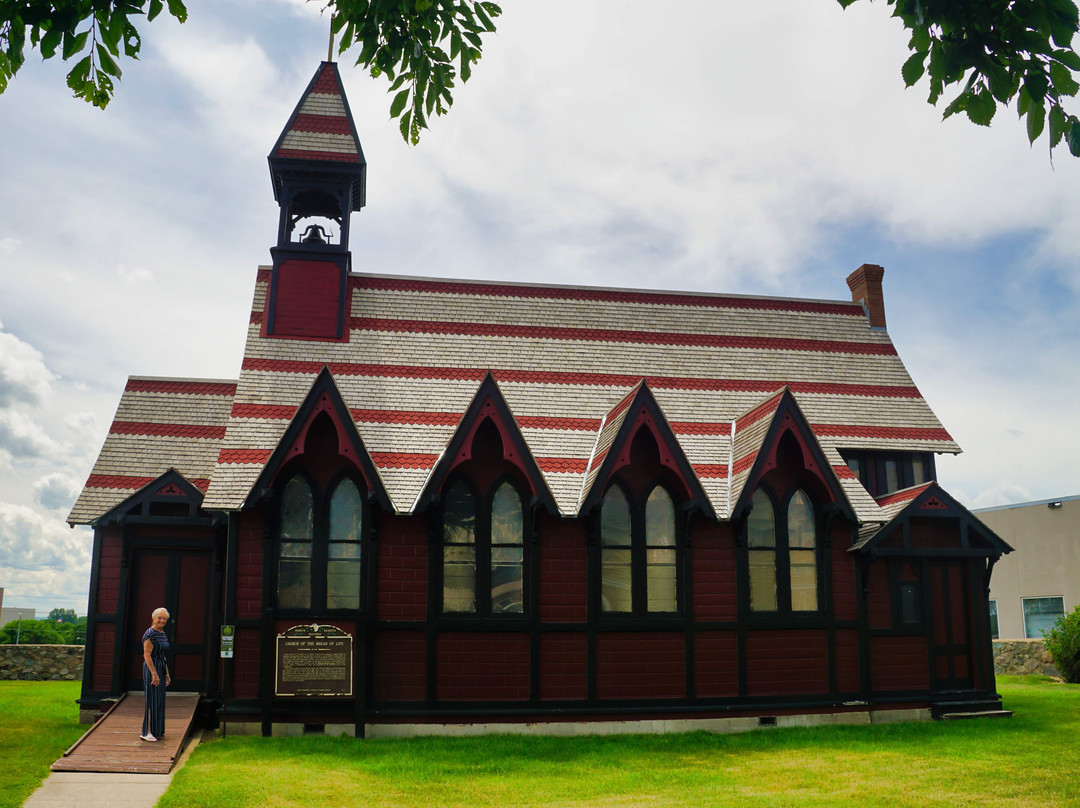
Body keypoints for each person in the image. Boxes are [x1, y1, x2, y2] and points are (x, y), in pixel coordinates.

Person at [140, 607, 171, 742]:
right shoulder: (150, 633)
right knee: (151, 699)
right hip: (151, 667)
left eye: (164, 618)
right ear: (153, 618)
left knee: (159, 700)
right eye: (159, 617)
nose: (162, 620)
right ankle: (147, 732)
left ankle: (157, 730)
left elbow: (163, 656)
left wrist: (167, 674)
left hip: (160, 666)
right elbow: (147, 655)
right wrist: (154, 674)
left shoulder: (162, 633)